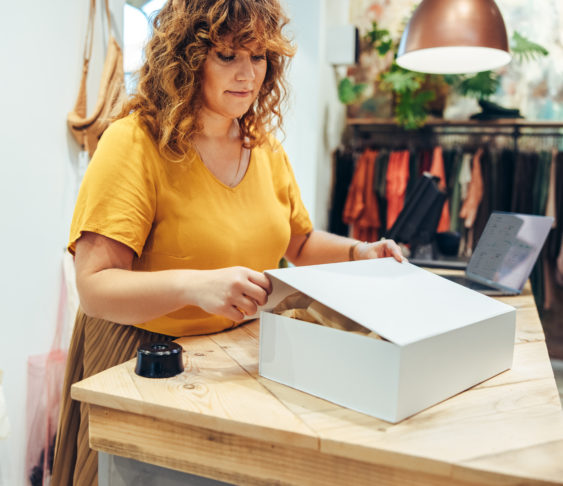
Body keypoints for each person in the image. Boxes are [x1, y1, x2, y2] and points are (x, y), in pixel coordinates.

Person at [52, 0, 405, 484]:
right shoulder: (134, 143)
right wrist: (196, 287)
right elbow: (94, 287)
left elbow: (297, 241)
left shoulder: (263, 146)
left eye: (258, 57)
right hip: (143, 356)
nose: (247, 74)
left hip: (234, 356)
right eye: (226, 55)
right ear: (186, 58)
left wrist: (358, 252)